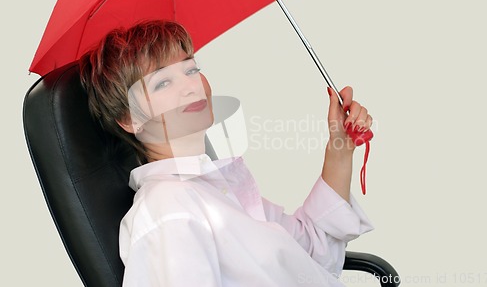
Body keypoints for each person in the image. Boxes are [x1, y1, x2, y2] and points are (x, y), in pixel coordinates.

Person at [80, 20, 374, 287]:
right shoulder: (167, 208)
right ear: (130, 119)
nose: (190, 86)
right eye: (163, 82)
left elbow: (312, 250)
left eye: (191, 69)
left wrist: (340, 144)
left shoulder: (220, 187)